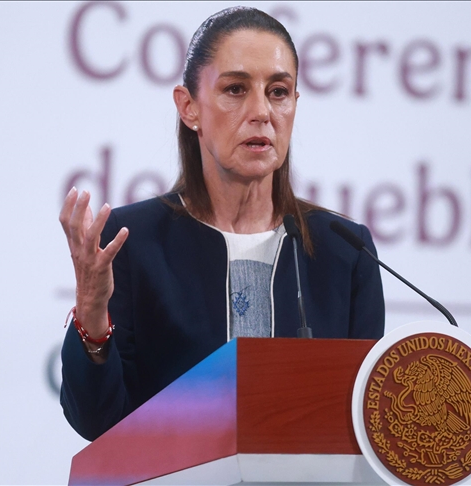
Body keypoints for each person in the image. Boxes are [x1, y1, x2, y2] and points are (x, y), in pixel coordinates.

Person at [58, 6, 385, 441]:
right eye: (235, 89)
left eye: (278, 91)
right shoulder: (131, 242)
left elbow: (364, 430)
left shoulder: (345, 252)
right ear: (189, 107)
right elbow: (96, 422)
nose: (261, 111)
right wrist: (91, 312)